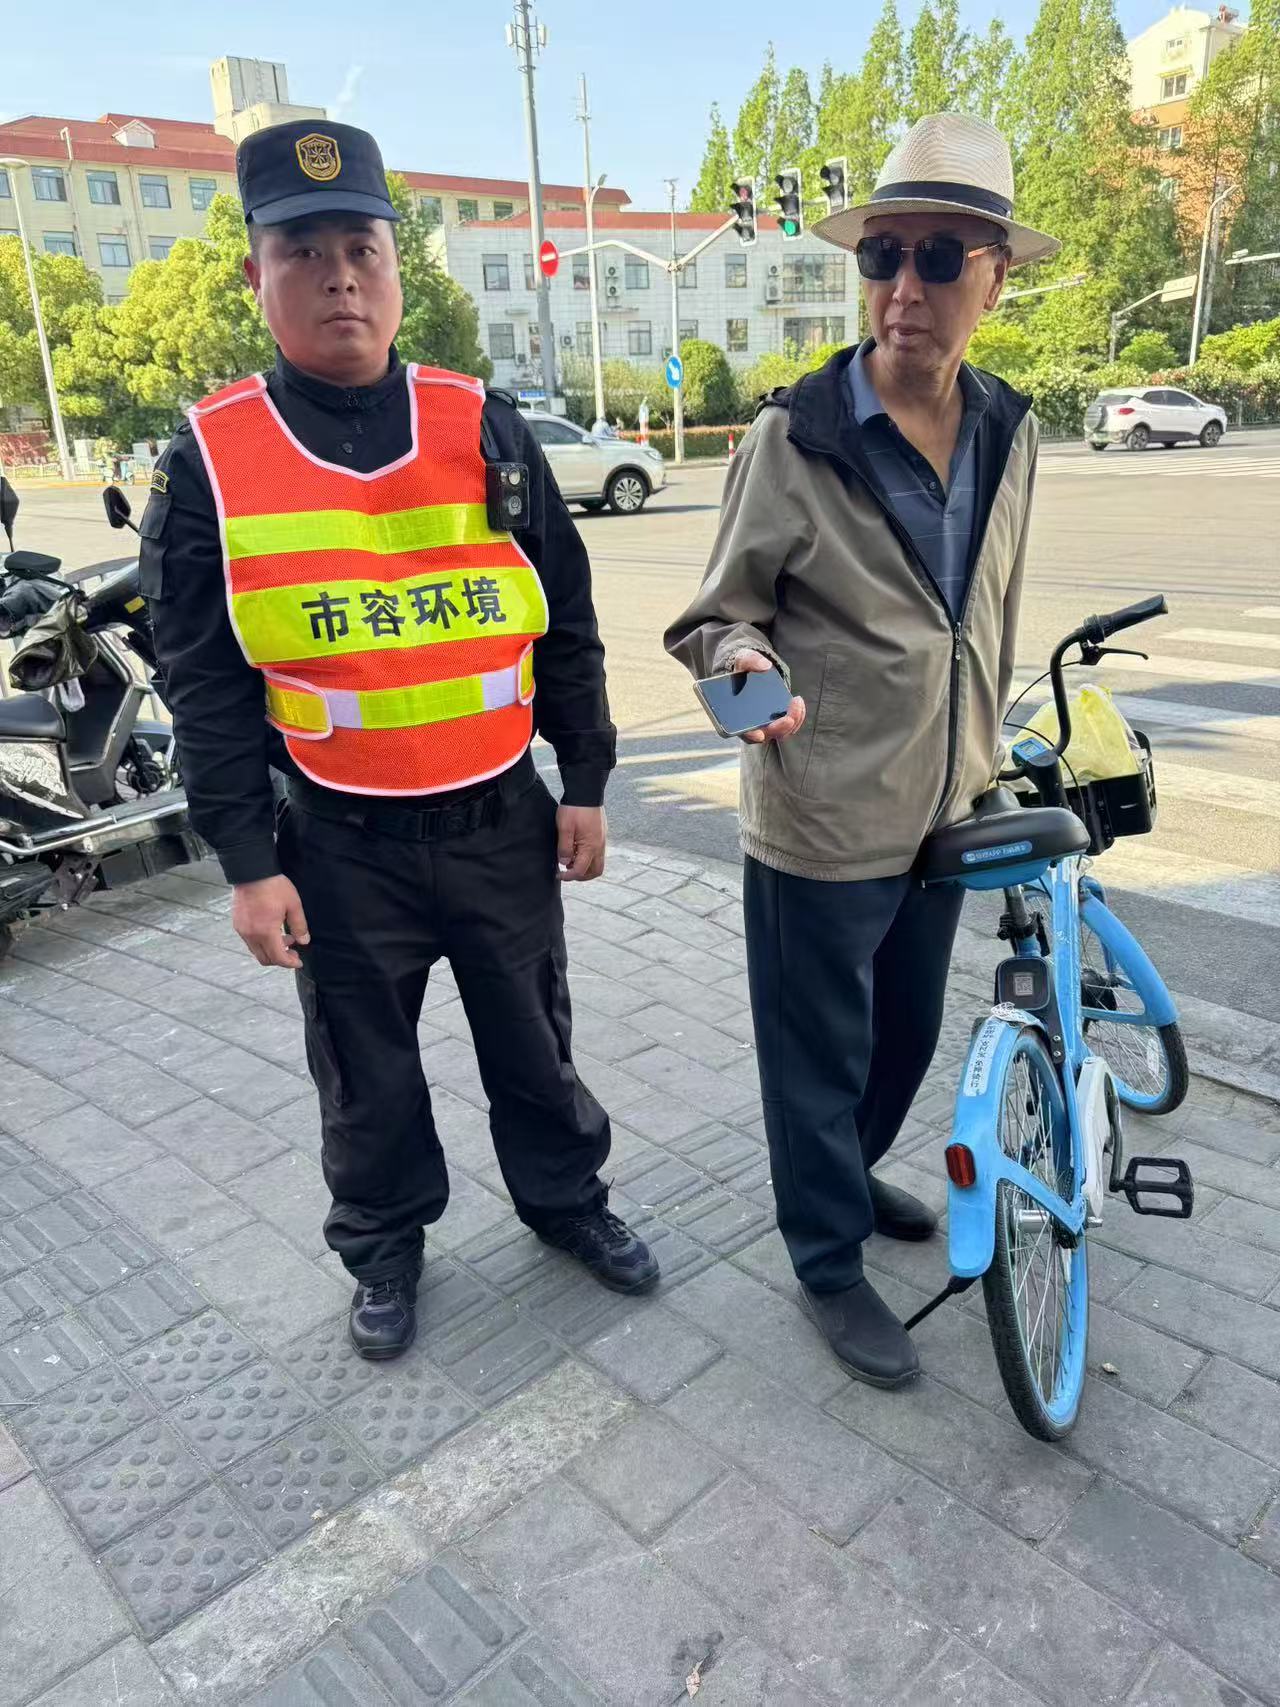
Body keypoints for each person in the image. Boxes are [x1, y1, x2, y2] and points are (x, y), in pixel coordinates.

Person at [142, 119, 658, 1362]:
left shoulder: (482, 423)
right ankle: (382, 1247)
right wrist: (246, 863)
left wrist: (584, 777)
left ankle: (565, 1202)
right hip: (336, 839)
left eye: (360, 249)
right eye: (302, 251)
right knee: (362, 1070)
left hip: (497, 818)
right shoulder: (211, 457)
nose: (339, 279)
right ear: (256, 274)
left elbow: (563, 615)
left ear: (395, 268)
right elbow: (203, 683)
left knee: (533, 1042)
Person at [665, 113, 1059, 1388]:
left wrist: (987, 741)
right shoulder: (794, 437)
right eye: (882, 255)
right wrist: (744, 670)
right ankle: (825, 1259)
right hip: (822, 811)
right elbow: (714, 616)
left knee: (898, 1040)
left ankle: (846, 1174)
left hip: (945, 804)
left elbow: (982, 607)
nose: (903, 288)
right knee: (816, 1057)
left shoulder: (1008, 429)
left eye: (940, 260)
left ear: (995, 280)